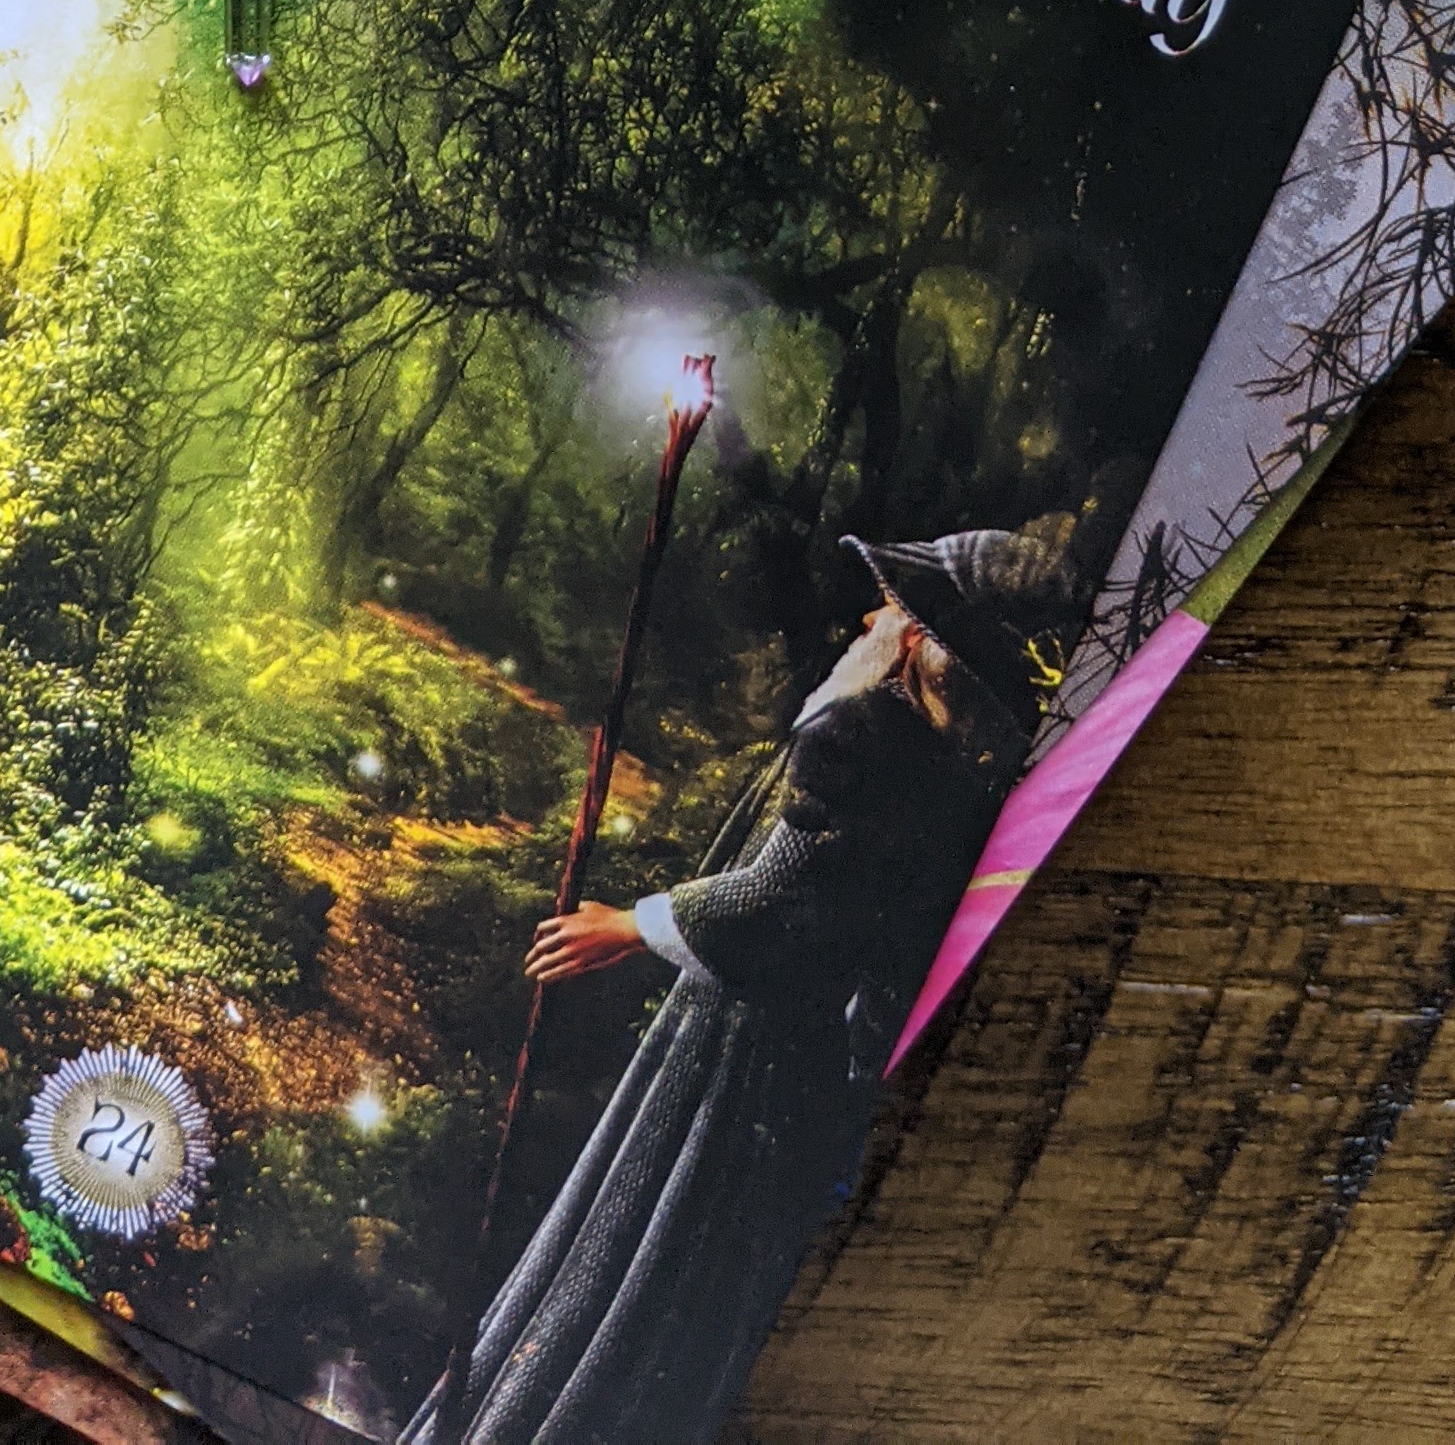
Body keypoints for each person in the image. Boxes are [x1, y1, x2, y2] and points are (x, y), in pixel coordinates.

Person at [401, 532, 1044, 1445]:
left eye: (890, 609)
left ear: (911, 642)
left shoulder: (857, 736)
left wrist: (629, 926)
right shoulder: (950, 780)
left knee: (637, 1246)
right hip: (809, 1070)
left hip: (739, 1046)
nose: (867, 617)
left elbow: (776, 899)